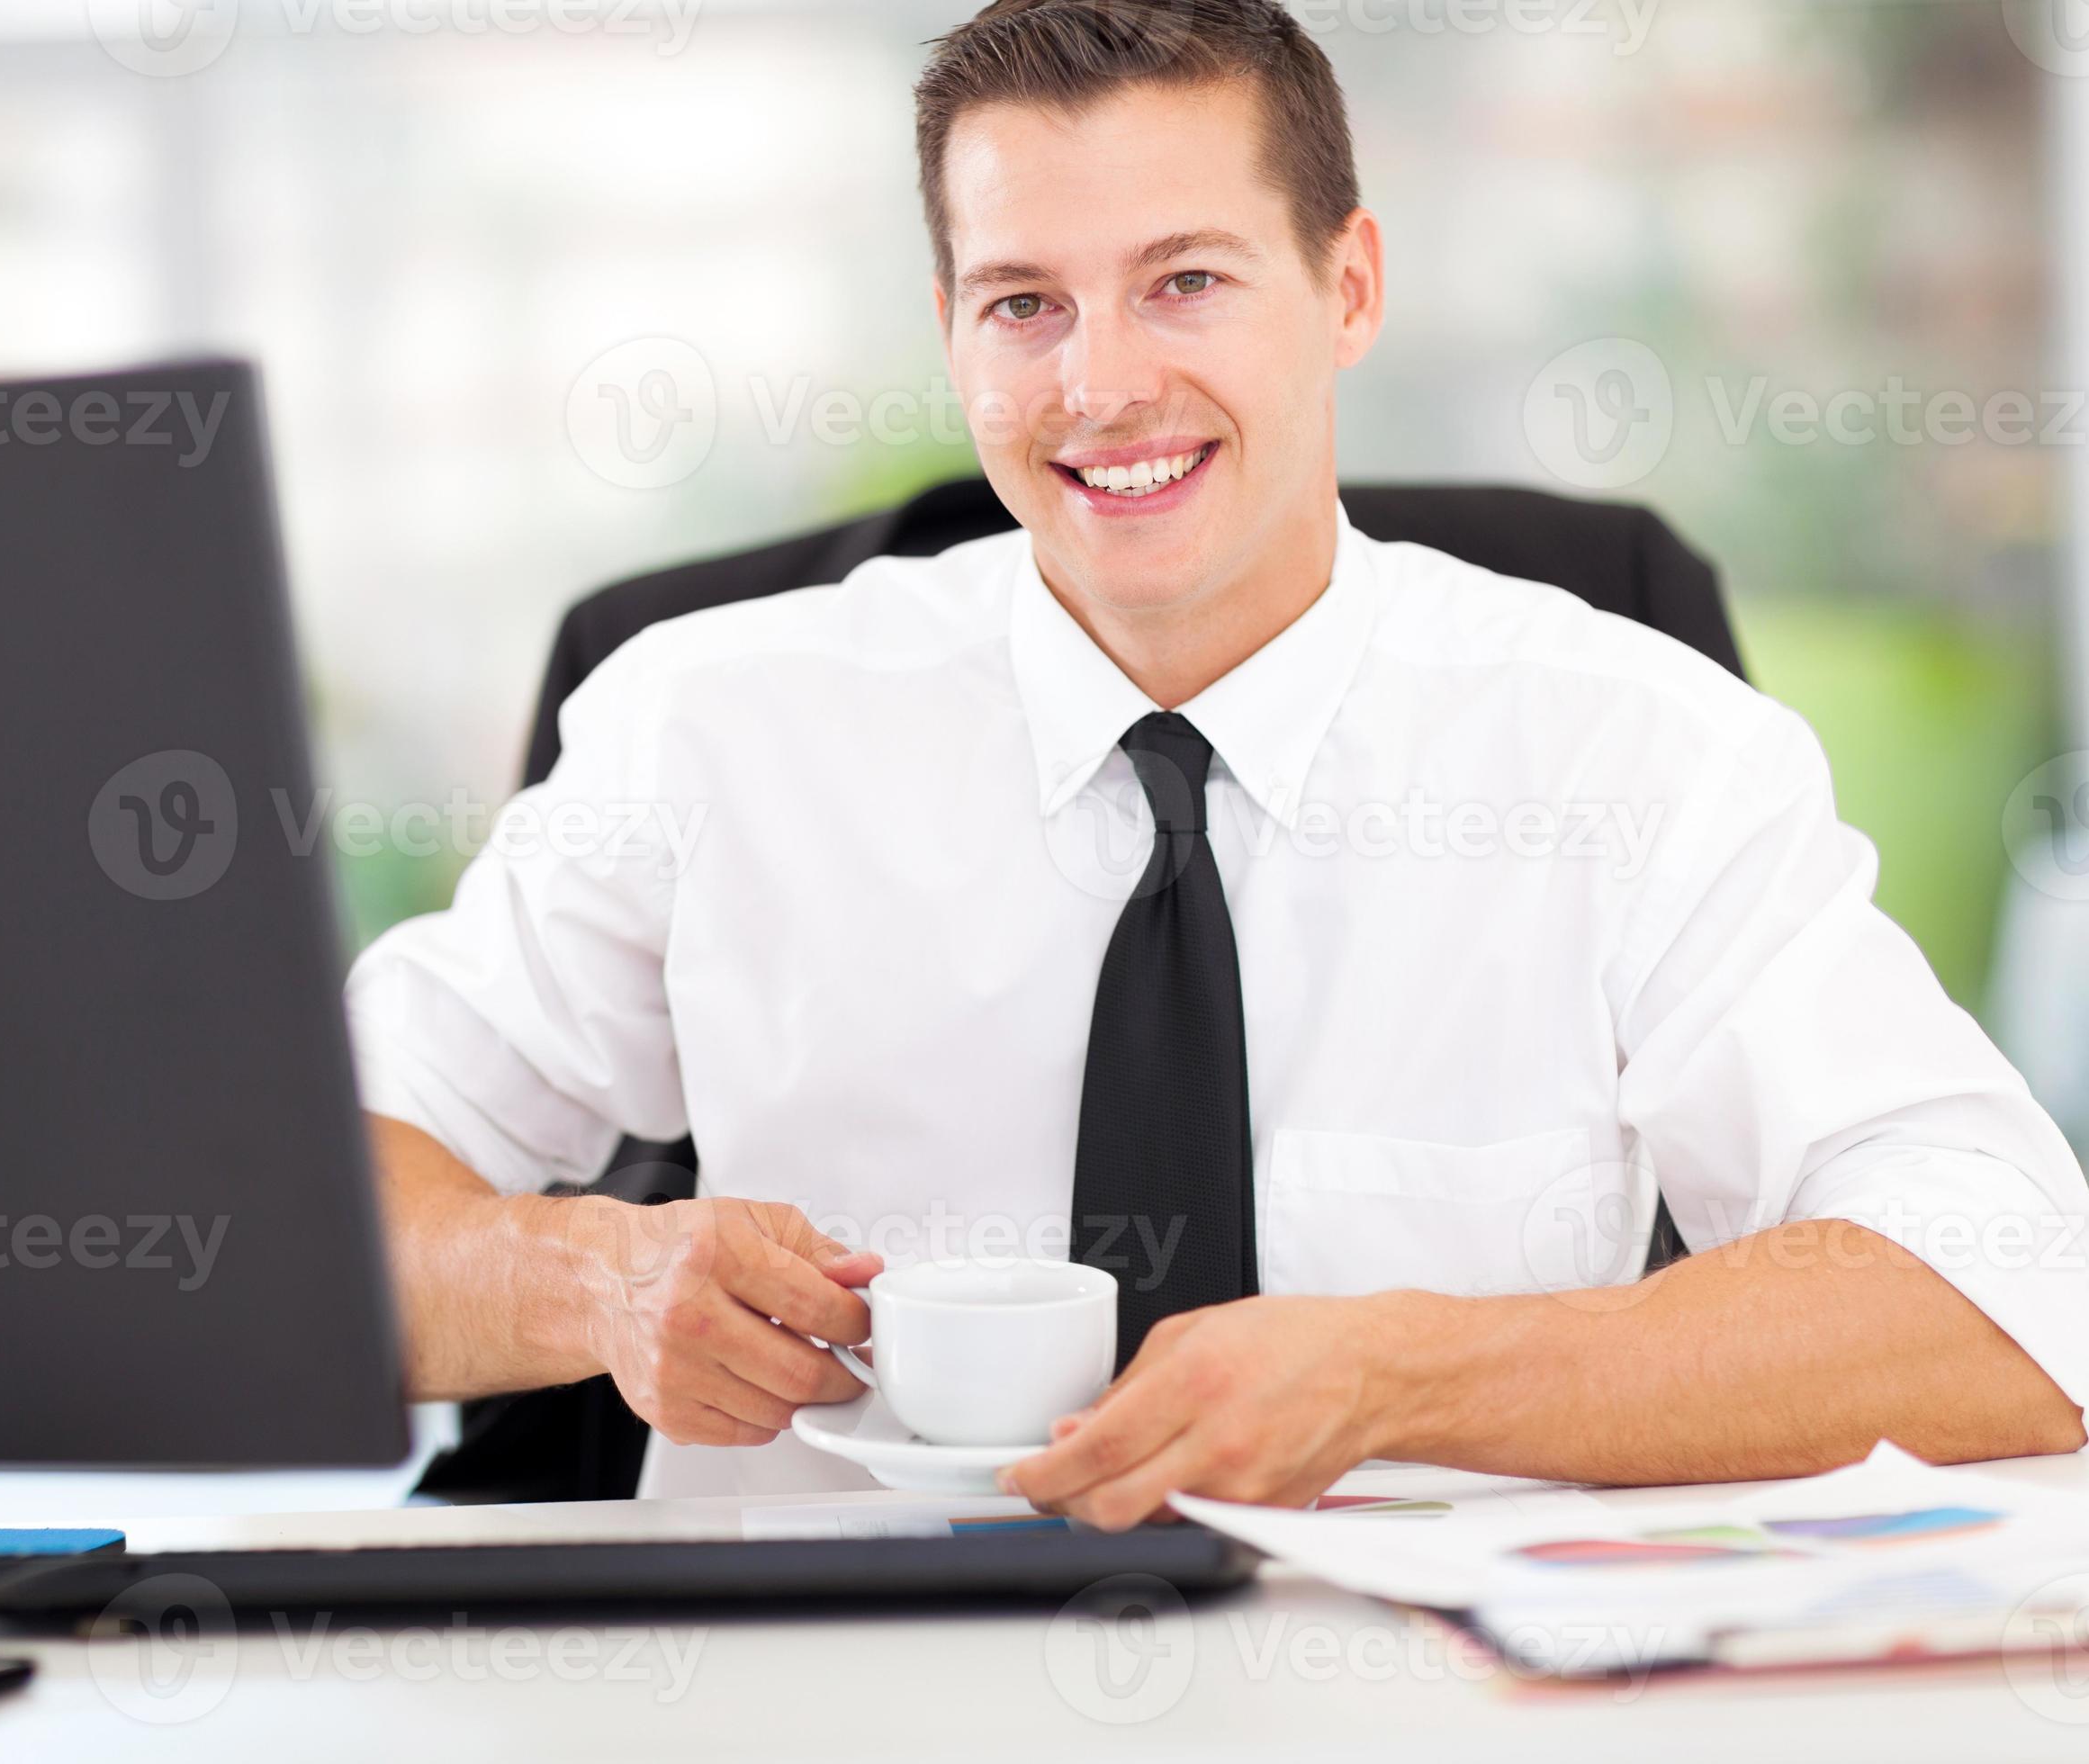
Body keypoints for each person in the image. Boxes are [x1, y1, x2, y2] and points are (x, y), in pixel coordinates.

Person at [348, 0, 2089, 1523]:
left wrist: (1413, 1380)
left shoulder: (1632, 746)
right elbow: (280, 1210)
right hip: (828, 1690)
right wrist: (589, 1281)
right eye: (1024, 303)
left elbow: (2019, 1294)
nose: (1103, 385)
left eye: (1185, 281)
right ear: (953, 327)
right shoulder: (708, 723)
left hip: (1432, 1702)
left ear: (1349, 286)